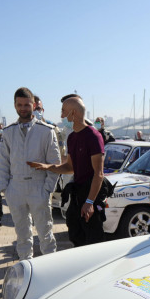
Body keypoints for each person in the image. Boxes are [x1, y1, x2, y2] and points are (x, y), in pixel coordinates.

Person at [28, 96, 105, 247]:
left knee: (93, 242)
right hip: (77, 195)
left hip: (90, 197)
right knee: (76, 237)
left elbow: (99, 173)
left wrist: (89, 202)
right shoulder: (72, 137)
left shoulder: (93, 136)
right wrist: (48, 167)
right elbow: (70, 167)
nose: (61, 116)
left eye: (63, 112)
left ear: (73, 113)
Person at [0, 87, 61, 260]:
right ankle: (27, 272)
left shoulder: (46, 131)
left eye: (27, 104)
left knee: (45, 235)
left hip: (38, 186)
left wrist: (47, 189)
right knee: (22, 236)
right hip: (15, 188)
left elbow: (55, 164)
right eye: (20, 105)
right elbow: (3, 161)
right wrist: (5, 189)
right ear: (15, 105)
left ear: (33, 105)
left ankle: (50, 271)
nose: (23, 108)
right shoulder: (8, 131)